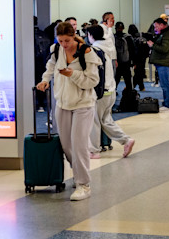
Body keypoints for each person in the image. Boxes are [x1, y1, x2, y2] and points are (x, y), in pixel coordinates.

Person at [37, 22, 100, 200]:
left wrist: (73, 74)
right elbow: (50, 67)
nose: (64, 44)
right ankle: (78, 174)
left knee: (79, 144)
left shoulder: (86, 52)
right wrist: (45, 80)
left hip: (83, 103)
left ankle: (83, 184)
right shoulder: (56, 50)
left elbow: (93, 81)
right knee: (66, 145)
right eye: (61, 40)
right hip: (62, 103)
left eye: (67, 40)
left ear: (74, 36)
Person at [84, 25, 135, 159]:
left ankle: (94, 150)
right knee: (106, 120)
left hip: (100, 92)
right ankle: (126, 140)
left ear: (91, 36)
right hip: (110, 90)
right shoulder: (107, 48)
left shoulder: (94, 50)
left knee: (94, 121)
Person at [148, 18, 169, 111]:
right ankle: (165, 103)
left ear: (161, 25)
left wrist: (153, 45)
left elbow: (164, 49)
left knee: (164, 85)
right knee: (164, 84)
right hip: (162, 62)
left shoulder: (167, 35)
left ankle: (166, 104)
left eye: (156, 26)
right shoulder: (164, 33)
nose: (155, 28)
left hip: (164, 63)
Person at [113, 22, 135, 90]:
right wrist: (133, 62)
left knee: (116, 79)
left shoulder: (113, 37)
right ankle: (130, 93)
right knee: (128, 80)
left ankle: (113, 93)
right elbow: (132, 50)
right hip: (126, 62)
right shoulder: (128, 37)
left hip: (117, 62)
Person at [128, 24, 148, 91]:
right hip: (143, 57)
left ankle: (133, 86)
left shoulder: (131, 38)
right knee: (140, 72)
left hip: (136, 57)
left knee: (138, 72)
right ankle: (141, 86)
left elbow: (133, 50)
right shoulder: (141, 36)